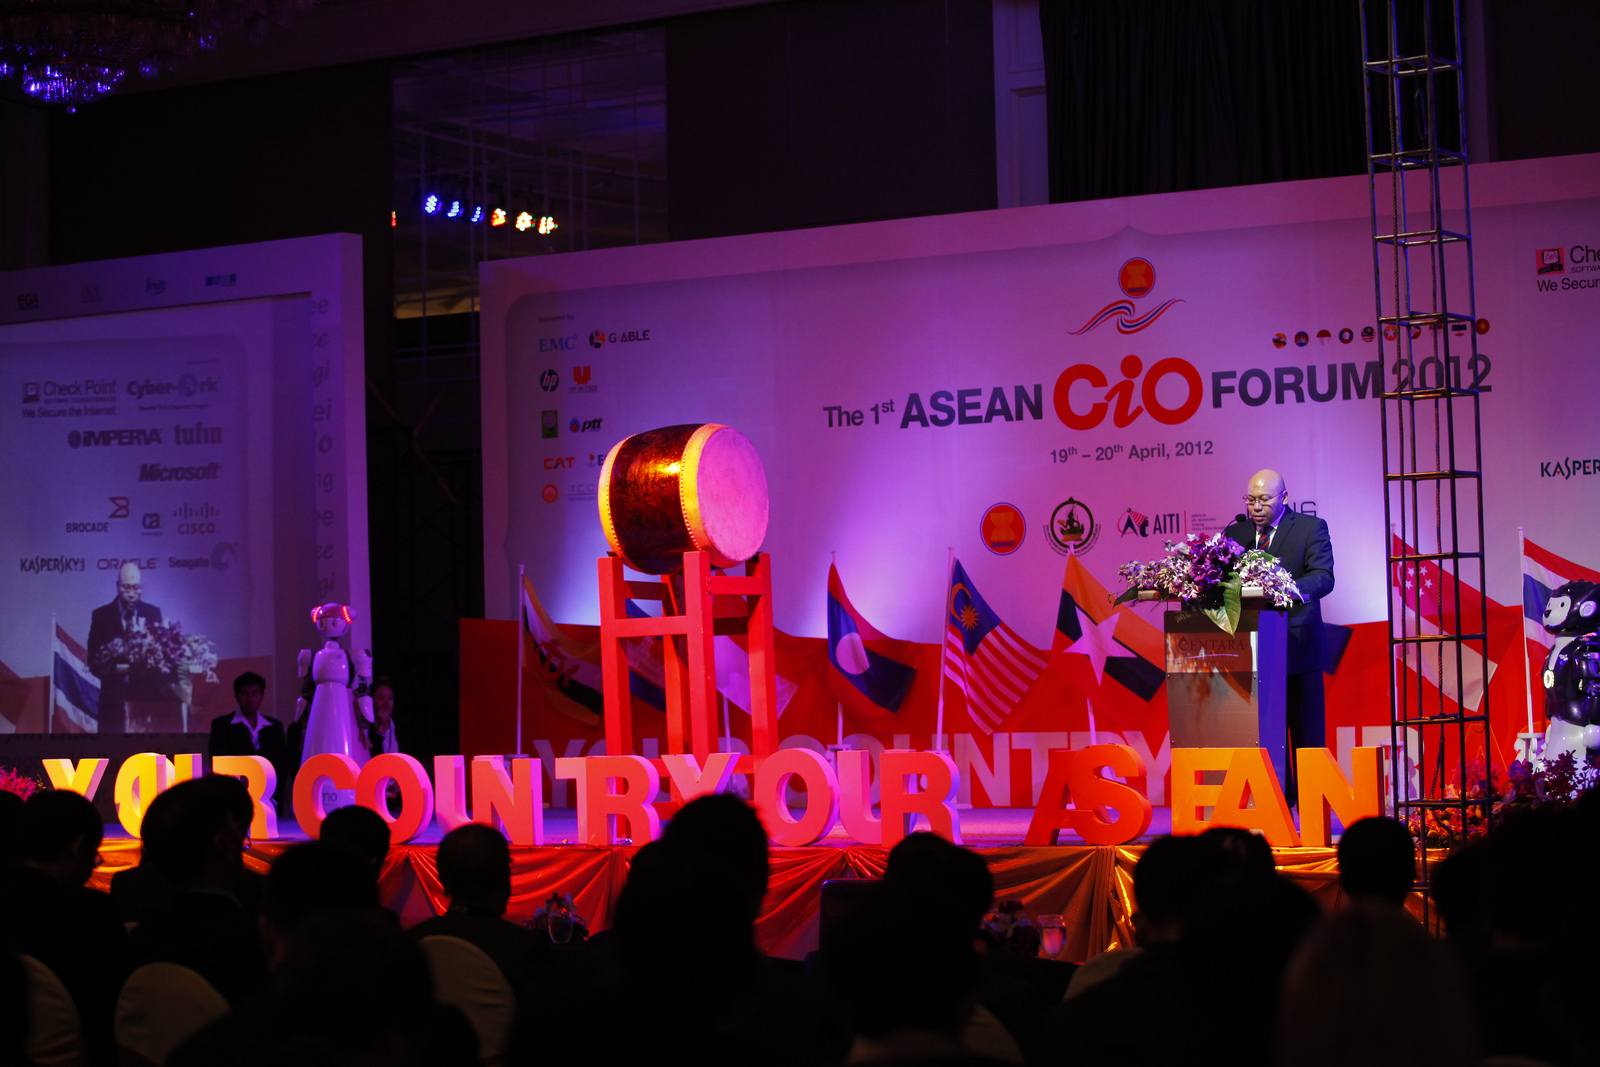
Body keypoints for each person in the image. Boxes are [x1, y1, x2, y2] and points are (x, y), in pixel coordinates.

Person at [1223, 469, 1334, 804]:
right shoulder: (1235, 533)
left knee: (1306, 732)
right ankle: (1276, 803)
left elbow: (1323, 577)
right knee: (1264, 733)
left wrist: (1282, 589)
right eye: (1250, 500)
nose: (1256, 507)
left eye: (1264, 500)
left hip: (1298, 646)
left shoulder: (1310, 528)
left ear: (1284, 497)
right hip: (1251, 649)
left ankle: (1312, 806)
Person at [86, 561, 164, 734]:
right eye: (126, 587)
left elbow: (162, 659)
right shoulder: (101, 616)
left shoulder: (153, 614)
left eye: (136, 588)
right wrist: (116, 667)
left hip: (145, 702)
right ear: (117, 586)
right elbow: (92, 660)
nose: (131, 593)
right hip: (112, 703)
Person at [208, 672, 291, 811]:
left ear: (261, 695)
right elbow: (219, 762)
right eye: (244, 694)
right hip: (236, 797)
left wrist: (274, 796)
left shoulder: (274, 726)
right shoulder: (222, 725)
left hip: (270, 797)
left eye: (254, 694)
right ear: (237, 696)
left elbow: (281, 765)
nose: (250, 699)